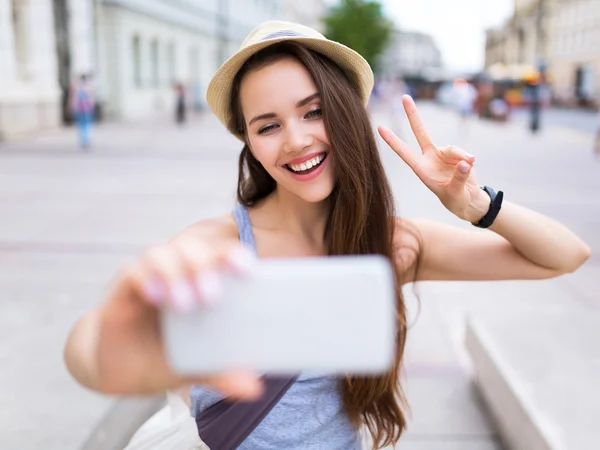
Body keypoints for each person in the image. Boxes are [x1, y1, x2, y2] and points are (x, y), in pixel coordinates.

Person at [63, 21, 591, 449]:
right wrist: (113, 337)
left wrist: (476, 205)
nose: (295, 141)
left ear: (345, 113)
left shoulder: (394, 245)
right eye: (267, 125)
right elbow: (90, 355)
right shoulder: (217, 248)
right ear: (249, 141)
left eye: (314, 112)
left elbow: (565, 255)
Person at [69, 74, 96, 150]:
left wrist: (73, 107)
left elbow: (74, 99)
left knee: (81, 125)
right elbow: (92, 98)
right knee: (87, 124)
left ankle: (83, 139)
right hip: (87, 109)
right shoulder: (89, 86)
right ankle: (86, 139)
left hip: (80, 109)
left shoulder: (77, 87)